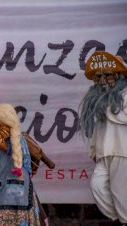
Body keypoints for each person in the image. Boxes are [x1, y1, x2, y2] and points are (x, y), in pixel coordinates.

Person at [78, 51, 127, 224]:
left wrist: (103, 104)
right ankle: (119, 219)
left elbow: (122, 116)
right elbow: (99, 128)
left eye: (107, 75)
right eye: (98, 76)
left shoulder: (124, 95)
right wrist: (94, 149)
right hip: (104, 152)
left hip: (122, 150)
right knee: (97, 186)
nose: (103, 80)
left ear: (118, 75)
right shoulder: (99, 99)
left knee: (120, 192)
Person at [0, 104, 41, 226]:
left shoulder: (18, 140)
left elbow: (25, 163)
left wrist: (5, 148)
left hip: (19, 195)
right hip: (3, 193)